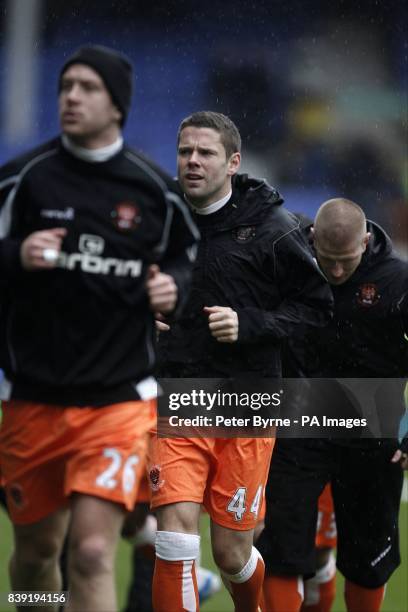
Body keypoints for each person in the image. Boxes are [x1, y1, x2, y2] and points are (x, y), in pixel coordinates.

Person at [0, 45, 198, 612]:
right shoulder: (23, 181)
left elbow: (192, 258)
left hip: (116, 401)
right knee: (37, 553)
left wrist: (177, 288)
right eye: (65, 86)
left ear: (117, 106)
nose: (71, 97)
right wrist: (15, 254)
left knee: (89, 551)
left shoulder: (153, 192)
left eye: (87, 87)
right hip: (31, 398)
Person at [149, 111, 334, 612]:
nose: (192, 161)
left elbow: (317, 312)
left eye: (205, 153)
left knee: (232, 553)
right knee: (174, 538)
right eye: (185, 151)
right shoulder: (160, 219)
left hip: (247, 403)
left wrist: (248, 324)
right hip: (179, 397)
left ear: (232, 162)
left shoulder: (274, 229)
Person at [257, 198, 408, 612]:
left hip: (372, 435)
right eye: (328, 260)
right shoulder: (291, 269)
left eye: (346, 261)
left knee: (366, 563)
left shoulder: (399, 282)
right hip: (299, 431)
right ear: (311, 240)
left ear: (366, 241)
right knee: (283, 554)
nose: (337, 272)